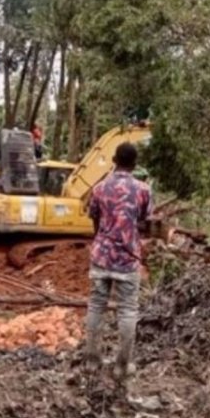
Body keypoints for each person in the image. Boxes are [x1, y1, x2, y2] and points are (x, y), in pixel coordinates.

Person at [83, 142, 153, 385]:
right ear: (135, 164)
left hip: (102, 256)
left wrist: (101, 240)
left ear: (113, 159)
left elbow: (94, 217)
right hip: (128, 259)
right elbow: (144, 221)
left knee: (96, 306)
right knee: (127, 311)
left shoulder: (99, 188)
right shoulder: (143, 190)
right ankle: (123, 366)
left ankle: (91, 361)